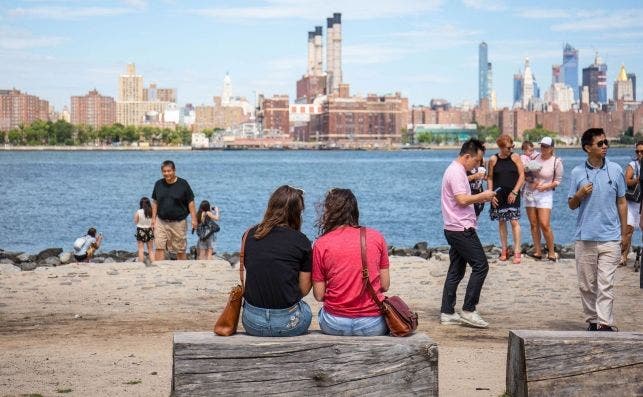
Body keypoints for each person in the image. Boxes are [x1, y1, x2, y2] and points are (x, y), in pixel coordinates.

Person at [568, 128, 626, 332]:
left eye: (605, 142)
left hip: (610, 238)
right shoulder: (576, 172)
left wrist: (625, 234)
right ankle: (593, 321)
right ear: (587, 148)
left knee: (606, 284)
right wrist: (579, 194)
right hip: (585, 238)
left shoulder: (616, 170)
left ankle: (604, 323)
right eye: (600, 144)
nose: (605, 146)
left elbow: (622, 202)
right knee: (587, 285)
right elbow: (571, 205)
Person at [312, 188, 390, 336]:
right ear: (354, 210)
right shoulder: (376, 237)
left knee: (322, 313)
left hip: (334, 323)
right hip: (372, 323)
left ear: (329, 213)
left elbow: (319, 295)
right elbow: (385, 285)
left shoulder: (321, 244)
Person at [241, 185, 312, 337]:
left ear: (271, 206)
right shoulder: (301, 241)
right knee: (307, 310)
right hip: (288, 323)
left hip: (252, 321)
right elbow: (304, 290)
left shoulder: (249, 235)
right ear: (296, 213)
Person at [440, 138, 496, 328]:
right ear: (466, 156)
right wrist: (484, 196)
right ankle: (469, 310)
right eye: (477, 161)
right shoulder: (456, 172)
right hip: (460, 228)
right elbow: (462, 199)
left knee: (456, 271)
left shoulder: (457, 171)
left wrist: (472, 178)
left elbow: (460, 191)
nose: (478, 165)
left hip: (454, 227)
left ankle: (447, 312)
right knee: (481, 265)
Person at [523, 137, 564, 261]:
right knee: (534, 224)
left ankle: (551, 252)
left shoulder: (556, 161)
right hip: (530, 192)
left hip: (545, 194)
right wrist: (531, 179)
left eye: (546, 146)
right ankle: (538, 251)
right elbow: (525, 169)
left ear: (552, 148)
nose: (543, 148)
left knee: (544, 224)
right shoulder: (534, 157)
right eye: (542, 146)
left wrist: (547, 185)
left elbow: (558, 181)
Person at [487, 134, 525, 264]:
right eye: (508, 147)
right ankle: (504, 250)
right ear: (501, 147)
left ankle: (517, 251)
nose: (511, 149)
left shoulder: (515, 157)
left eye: (512, 146)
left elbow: (522, 176)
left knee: (514, 221)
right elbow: (490, 178)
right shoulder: (492, 159)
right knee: (502, 221)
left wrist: (515, 192)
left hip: (513, 194)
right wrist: (490, 194)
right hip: (498, 195)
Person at [151, 160, 197, 261]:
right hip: (161, 221)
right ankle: (157, 270)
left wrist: (194, 219)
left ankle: (182, 269)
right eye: (164, 171)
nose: (166, 173)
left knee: (180, 250)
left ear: (174, 170)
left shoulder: (183, 184)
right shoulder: (158, 184)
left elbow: (191, 202)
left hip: (179, 222)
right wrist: (153, 219)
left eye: (169, 171)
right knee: (159, 247)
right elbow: (155, 202)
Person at [620, 141, 643, 266]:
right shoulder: (633, 165)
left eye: (642, 151)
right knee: (628, 230)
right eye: (637, 151)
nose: (639, 153)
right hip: (633, 202)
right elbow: (627, 181)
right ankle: (623, 256)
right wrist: (637, 180)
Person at [134, 197, 154, 263]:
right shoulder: (151, 211)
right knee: (150, 249)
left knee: (141, 249)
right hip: (149, 230)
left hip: (140, 230)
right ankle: (153, 261)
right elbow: (153, 221)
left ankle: (141, 262)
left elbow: (136, 221)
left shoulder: (139, 212)